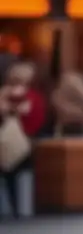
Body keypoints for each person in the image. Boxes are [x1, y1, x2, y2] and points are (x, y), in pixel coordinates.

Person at [0, 61, 46, 218]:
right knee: (21, 173)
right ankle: (21, 207)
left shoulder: (5, 94)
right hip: (24, 141)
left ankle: (9, 208)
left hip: (7, 141)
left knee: (9, 175)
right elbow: (37, 119)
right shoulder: (32, 96)